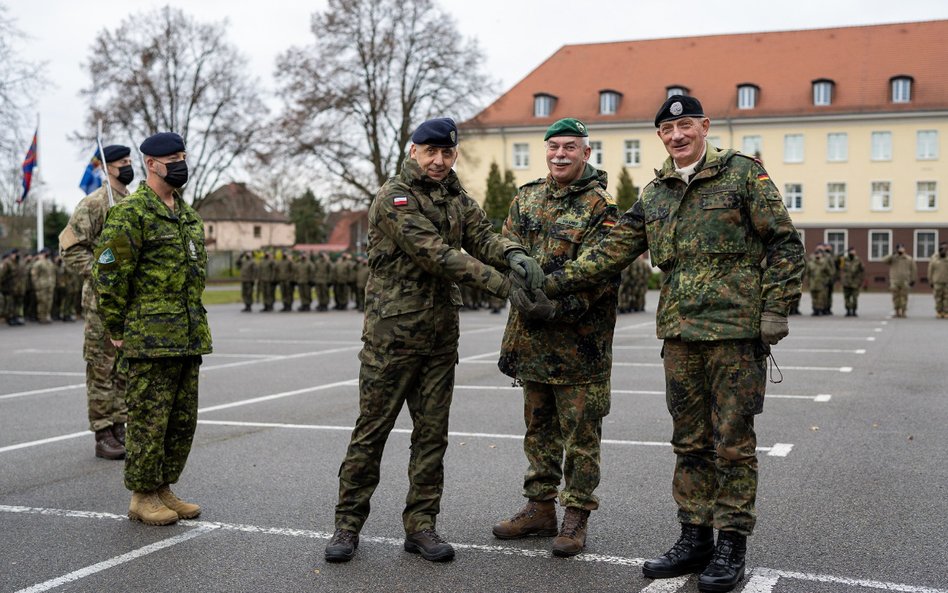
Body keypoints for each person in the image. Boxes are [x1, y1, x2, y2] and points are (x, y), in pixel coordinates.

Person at [533, 95, 804, 592]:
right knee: (689, 442)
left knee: (733, 444)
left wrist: (775, 308)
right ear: (660, 136)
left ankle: (732, 544)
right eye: (667, 129)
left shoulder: (743, 175)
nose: (677, 136)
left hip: (734, 335)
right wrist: (552, 281)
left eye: (685, 126)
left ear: (704, 126)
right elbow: (613, 250)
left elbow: (784, 242)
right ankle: (694, 536)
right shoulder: (655, 193)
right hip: (679, 335)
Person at [324, 117, 542, 564]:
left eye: (447, 153)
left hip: (440, 338)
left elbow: (482, 236)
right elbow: (435, 254)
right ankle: (347, 526)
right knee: (371, 433)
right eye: (431, 152)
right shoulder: (394, 198)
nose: (439, 161)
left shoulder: (456, 197)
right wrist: (506, 287)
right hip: (393, 339)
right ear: (413, 151)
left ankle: (421, 526)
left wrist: (513, 254)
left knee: (431, 437)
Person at [492, 118, 619, 557]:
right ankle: (539, 508)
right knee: (538, 431)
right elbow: (506, 249)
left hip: (580, 346)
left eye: (570, 147)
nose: (559, 154)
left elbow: (600, 275)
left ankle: (576, 517)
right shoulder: (527, 197)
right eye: (553, 147)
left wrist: (555, 306)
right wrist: (518, 291)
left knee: (581, 438)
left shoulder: (602, 208)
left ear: (587, 153)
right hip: (532, 343)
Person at [93, 132, 212, 526]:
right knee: (148, 419)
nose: (181, 162)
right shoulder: (133, 214)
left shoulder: (187, 214)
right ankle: (142, 496)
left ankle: (162, 487)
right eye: (173, 157)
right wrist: (116, 326)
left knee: (181, 421)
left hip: (187, 336)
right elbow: (109, 272)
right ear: (151, 164)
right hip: (149, 338)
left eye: (183, 155)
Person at [60, 144, 136, 459]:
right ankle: (103, 431)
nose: (128, 166)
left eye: (130, 161)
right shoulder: (94, 203)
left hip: (130, 299)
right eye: (122, 162)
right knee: (102, 365)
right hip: (102, 300)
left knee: (125, 366)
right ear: (108, 167)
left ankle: (120, 424)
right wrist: (102, 271)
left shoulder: (133, 202)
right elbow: (70, 248)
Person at [884, 244, 917, 318]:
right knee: (895, 297)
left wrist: (913, 279)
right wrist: (892, 254)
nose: (901, 250)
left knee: (904, 297)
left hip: (905, 281)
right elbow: (884, 260)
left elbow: (913, 269)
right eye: (899, 248)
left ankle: (903, 311)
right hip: (894, 280)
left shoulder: (909, 259)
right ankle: (897, 311)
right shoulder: (893, 258)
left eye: (902, 248)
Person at [29, 249, 56, 323]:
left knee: (49, 301)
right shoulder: (38, 263)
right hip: (41, 286)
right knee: (42, 302)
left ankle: (47, 315)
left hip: (50, 285)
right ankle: (41, 317)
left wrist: (53, 283)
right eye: (45, 253)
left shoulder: (50, 262)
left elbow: (53, 274)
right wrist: (37, 285)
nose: (47, 254)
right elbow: (34, 276)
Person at [839, 246, 865, 317]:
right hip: (846, 282)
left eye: (853, 251)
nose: (852, 252)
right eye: (850, 251)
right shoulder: (844, 260)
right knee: (846, 297)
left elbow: (862, 270)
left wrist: (860, 280)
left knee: (854, 297)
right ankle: (848, 310)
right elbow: (841, 267)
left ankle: (854, 310)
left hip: (855, 282)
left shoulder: (858, 260)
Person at [928, 242, 948, 319]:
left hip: (947, 282)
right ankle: (939, 312)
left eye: (945, 249)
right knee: (938, 298)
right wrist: (930, 281)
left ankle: (946, 312)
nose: (944, 250)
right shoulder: (934, 258)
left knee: (947, 298)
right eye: (942, 248)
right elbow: (930, 270)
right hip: (937, 282)